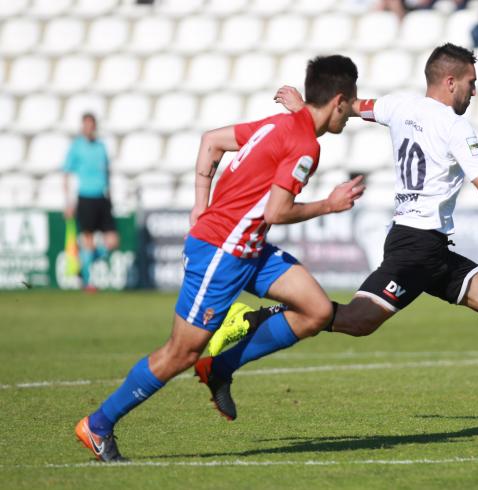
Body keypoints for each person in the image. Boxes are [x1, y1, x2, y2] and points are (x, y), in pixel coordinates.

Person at [208, 43, 478, 425]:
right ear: (450, 81)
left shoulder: (398, 105)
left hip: (426, 243)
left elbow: (352, 108)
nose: (474, 91)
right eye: (471, 82)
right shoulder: (455, 126)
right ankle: (255, 320)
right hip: (417, 246)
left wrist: (303, 111)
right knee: (357, 320)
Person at [74, 55, 365, 462]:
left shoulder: (280, 124)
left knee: (316, 311)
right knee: (180, 353)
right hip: (222, 253)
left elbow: (211, 140)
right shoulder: (305, 145)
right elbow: (276, 212)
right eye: (350, 104)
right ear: (337, 101)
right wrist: (329, 205)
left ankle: (221, 368)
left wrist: (200, 204)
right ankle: (98, 424)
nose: (352, 112)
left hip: (249, 248)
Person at [63, 113, 119, 292]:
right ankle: (87, 282)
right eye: (85, 125)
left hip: (102, 197)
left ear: (94, 126)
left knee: (112, 241)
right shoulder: (76, 147)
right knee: (88, 240)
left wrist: (110, 194)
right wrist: (68, 202)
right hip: (85, 197)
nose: (88, 128)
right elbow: (67, 174)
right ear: (82, 127)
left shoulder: (101, 146)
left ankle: (84, 264)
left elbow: (107, 171)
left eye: (91, 125)